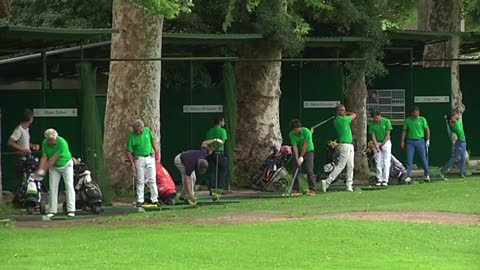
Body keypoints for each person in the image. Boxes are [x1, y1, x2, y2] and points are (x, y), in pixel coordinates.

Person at [36, 129, 76, 217]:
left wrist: (42, 171)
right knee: (52, 187)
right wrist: (41, 169)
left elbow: (52, 160)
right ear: (46, 139)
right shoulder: (45, 143)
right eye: (49, 140)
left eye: (53, 139)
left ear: (56, 137)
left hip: (66, 165)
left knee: (69, 185)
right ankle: (52, 210)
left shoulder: (62, 143)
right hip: (54, 168)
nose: (51, 142)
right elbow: (44, 157)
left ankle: (71, 210)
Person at [322, 104, 356, 192]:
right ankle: (327, 182)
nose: (344, 111)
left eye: (344, 110)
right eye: (342, 110)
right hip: (344, 145)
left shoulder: (338, 119)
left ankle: (349, 185)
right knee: (341, 165)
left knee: (350, 165)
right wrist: (347, 113)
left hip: (349, 145)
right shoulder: (342, 120)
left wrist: (344, 112)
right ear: (337, 112)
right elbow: (354, 115)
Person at [174, 139, 219, 205]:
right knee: (188, 178)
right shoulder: (190, 165)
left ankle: (183, 197)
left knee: (194, 178)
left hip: (188, 158)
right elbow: (188, 180)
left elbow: (204, 143)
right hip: (179, 160)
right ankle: (190, 197)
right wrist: (191, 194)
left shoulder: (203, 154)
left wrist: (215, 140)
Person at [126, 119, 160, 207]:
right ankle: (140, 199)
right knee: (140, 180)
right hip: (139, 159)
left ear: (142, 127)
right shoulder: (132, 136)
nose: (138, 131)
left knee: (152, 179)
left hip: (149, 157)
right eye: (136, 130)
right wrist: (132, 162)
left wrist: (156, 151)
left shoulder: (147, 131)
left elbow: (153, 141)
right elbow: (129, 151)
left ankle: (155, 199)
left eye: (139, 129)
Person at [8, 109, 40, 181]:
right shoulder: (19, 129)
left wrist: (32, 146)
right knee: (22, 178)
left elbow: (25, 142)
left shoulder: (26, 129)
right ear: (29, 119)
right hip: (21, 157)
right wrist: (23, 150)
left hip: (27, 156)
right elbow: (10, 142)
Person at [401, 106, 430, 182]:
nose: (417, 113)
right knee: (409, 159)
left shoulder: (422, 119)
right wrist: (402, 141)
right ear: (412, 113)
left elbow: (427, 129)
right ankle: (408, 175)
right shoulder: (408, 120)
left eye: (418, 111)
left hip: (420, 140)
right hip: (410, 141)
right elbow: (404, 130)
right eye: (415, 112)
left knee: (423, 158)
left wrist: (428, 140)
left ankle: (427, 174)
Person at [289, 119, 316, 196]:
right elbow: (295, 147)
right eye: (293, 130)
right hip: (299, 150)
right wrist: (297, 158)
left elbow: (305, 145)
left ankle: (312, 190)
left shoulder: (306, 131)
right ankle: (295, 190)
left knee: (309, 170)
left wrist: (301, 157)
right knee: (295, 170)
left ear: (299, 127)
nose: (295, 131)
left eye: (296, 129)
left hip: (309, 151)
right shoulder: (292, 134)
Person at [205, 115, 228, 196]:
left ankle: (212, 190)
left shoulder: (210, 131)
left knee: (212, 171)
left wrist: (210, 149)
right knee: (223, 170)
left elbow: (206, 142)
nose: (224, 123)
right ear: (220, 122)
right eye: (223, 121)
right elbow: (222, 142)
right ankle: (220, 189)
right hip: (219, 153)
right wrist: (216, 148)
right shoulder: (223, 131)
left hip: (211, 154)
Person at [369, 110, 393, 186]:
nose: (376, 120)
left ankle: (385, 180)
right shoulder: (372, 124)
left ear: (380, 115)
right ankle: (379, 179)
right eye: (374, 118)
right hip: (377, 143)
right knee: (378, 161)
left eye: (377, 118)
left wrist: (381, 145)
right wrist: (377, 146)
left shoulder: (386, 121)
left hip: (386, 142)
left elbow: (388, 135)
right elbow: (373, 137)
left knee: (386, 161)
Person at [440, 113, 467, 178]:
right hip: (460, 142)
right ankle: (443, 169)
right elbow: (458, 119)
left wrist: (450, 118)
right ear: (451, 120)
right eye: (453, 117)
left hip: (463, 142)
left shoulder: (455, 123)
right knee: (455, 157)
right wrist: (449, 119)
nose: (455, 117)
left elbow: (457, 118)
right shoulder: (455, 125)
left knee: (463, 158)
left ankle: (461, 173)